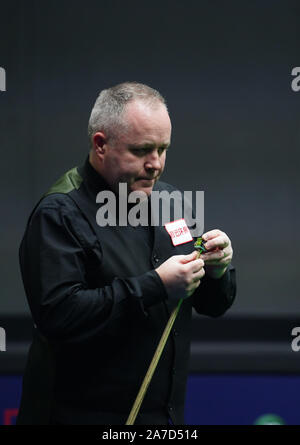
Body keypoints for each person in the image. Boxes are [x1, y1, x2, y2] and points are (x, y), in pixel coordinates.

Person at [17, 82, 236, 425]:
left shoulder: (170, 201)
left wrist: (218, 269)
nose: (156, 165)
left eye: (163, 149)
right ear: (101, 145)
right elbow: (58, 316)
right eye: (142, 150)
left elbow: (211, 304)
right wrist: (156, 285)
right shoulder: (60, 212)